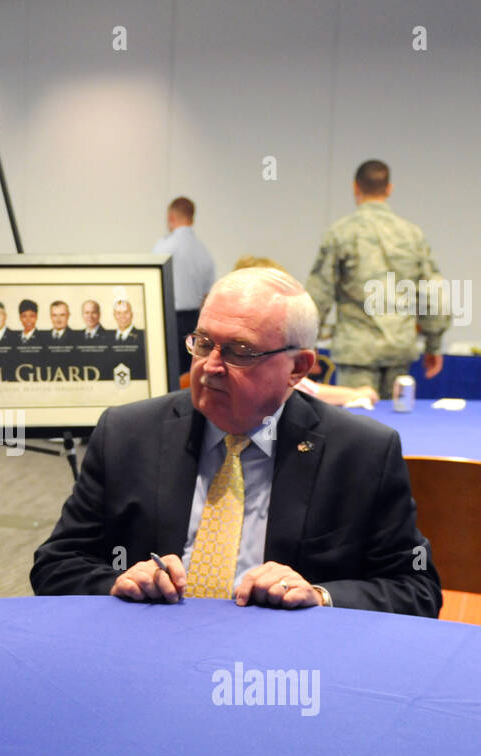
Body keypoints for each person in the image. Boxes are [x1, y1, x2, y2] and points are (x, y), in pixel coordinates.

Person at [31, 267, 441, 617]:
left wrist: (319, 595)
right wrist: (120, 581)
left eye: (239, 352)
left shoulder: (360, 453)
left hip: (287, 668)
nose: (209, 367)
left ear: (298, 368)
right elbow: (56, 564)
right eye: (204, 343)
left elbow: (416, 588)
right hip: (150, 653)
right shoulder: (128, 434)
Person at [305, 160, 450, 397]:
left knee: (357, 425)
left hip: (356, 351)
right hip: (399, 350)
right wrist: (433, 345)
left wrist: (307, 347)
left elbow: (318, 295)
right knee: (396, 428)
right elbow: (433, 293)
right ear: (389, 189)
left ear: (355, 187)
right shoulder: (412, 235)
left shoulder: (341, 232)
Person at [232, 257, 378, 408]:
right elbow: (300, 391)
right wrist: (355, 394)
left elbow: (302, 387)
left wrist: (356, 393)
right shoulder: (251, 347)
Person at [153, 196, 216, 344]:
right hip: (195, 320)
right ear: (192, 219)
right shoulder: (204, 251)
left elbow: (154, 281)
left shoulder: (164, 247)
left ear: (171, 217)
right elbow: (208, 294)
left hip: (169, 319)